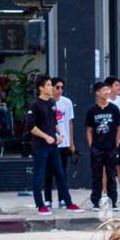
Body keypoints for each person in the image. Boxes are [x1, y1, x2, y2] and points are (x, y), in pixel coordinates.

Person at [25, 74, 80, 216]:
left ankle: (68, 202)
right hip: (40, 146)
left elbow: (54, 122)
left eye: (51, 85)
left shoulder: (51, 103)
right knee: (39, 175)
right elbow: (31, 127)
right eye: (48, 85)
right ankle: (40, 205)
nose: (51, 88)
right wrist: (46, 137)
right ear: (41, 88)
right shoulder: (35, 104)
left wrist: (60, 134)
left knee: (61, 174)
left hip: (53, 145)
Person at [85, 80, 120, 216]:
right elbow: (89, 130)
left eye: (108, 89)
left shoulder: (114, 109)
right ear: (97, 92)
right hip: (97, 148)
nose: (107, 92)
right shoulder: (91, 111)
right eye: (103, 90)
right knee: (97, 175)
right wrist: (91, 145)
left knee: (112, 175)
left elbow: (118, 128)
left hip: (111, 147)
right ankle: (96, 202)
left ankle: (113, 201)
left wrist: (116, 145)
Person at [44, 77, 75, 208]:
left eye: (62, 88)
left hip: (64, 142)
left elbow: (70, 122)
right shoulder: (46, 102)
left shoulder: (67, 102)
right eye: (57, 87)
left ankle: (62, 198)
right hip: (50, 142)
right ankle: (48, 199)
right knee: (48, 172)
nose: (60, 90)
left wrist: (72, 143)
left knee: (61, 172)